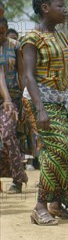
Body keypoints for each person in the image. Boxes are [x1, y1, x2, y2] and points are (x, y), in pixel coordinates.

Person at [22, 0, 68, 225]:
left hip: (61, 102)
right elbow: (29, 77)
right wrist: (40, 108)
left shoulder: (62, 38)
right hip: (38, 100)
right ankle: (40, 206)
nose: (65, 10)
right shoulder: (31, 38)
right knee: (57, 147)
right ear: (45, 8)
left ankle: (56, 204)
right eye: (60, 6)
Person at [0, 17, 27, 193]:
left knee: (8, 134)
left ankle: (18, 178)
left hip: (12, 99)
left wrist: (26, 99)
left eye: (1, 31)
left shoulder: (15, 46)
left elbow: (23, 73)